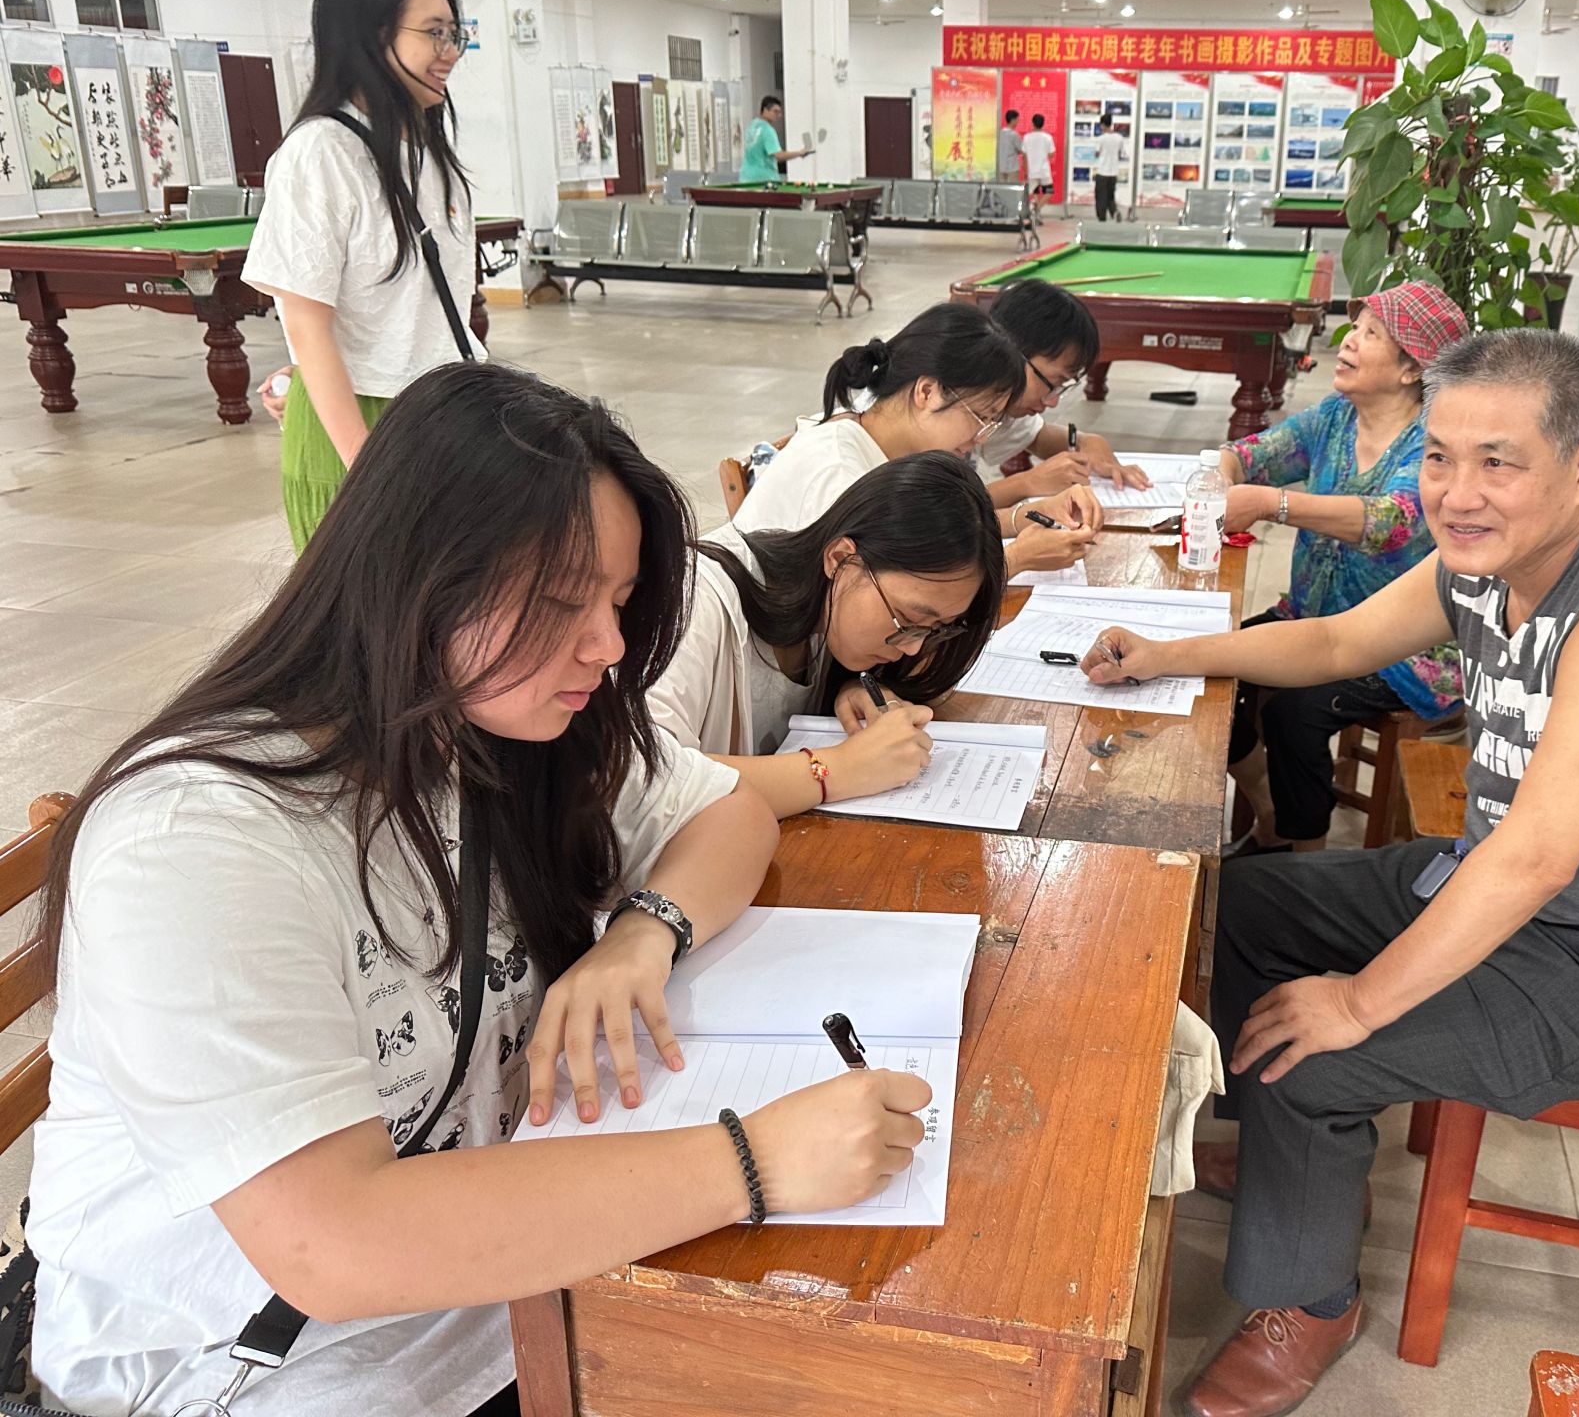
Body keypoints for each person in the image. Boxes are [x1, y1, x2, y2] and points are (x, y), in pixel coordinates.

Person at [28, 363, 932, 1417]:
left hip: (505, 1288)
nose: (606, 647)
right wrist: (755, 1159)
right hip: (240, 1363)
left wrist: (643, 933)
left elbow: (725, 813)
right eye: (558, 602)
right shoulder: (197, 844)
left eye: (617, 602)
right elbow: (333, 1245)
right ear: (414, 574)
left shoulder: (495, 724)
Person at [1079, 329, 1579, 1417]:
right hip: (1492, 887)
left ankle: (1307, 1302)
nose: (1457, 491)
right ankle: (1292, 1165)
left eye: (1498, 461)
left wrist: (1357, 1002)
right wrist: (1168, 657)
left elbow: (1536, 857)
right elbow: (1335, 643)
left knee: (1311, 1051)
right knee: (1240, 905)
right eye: (1439, 456)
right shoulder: (1488, 561)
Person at [243, 0, 482, 554]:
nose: (451, 51)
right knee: (372, 612)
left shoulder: (426, 149)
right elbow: (307, 326)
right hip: (361, 431)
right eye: (434, 32)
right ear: (373, 35)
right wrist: (369, 470)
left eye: (455, 32)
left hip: (440, 414)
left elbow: (426, 310)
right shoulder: (321, 152)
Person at [1220, 282, 1469, 855]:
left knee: (1294, 712)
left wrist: (1273, 504)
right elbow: (1250, 454)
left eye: (1370, 334)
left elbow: (1391, 521)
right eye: (1354, 328)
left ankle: (1305, 861)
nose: (1348, 341)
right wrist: (1226, 474)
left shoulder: (1434, 446)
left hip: (1402, 647)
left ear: (1412, 368)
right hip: (1309, 618)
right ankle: (1271, 817)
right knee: (1215, 667)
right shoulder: (1334, 418)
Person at [649, 453, 1004, 818]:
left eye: (936, 629)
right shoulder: (696, 597)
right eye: (907, 619)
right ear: (839, 558)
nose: (913, 648)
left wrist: (848, 689)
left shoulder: (827, 622)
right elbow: (649, 783)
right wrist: (840, 769)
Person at [732, 302, 1101, 580]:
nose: (979, 438)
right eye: (981, 417)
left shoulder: (886, 444)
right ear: (927, 392)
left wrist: (1026, 517)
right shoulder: (842, 474)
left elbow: (932, 531)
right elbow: (898, 598)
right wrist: (1016, 558)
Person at [979, 278, 1152, 503]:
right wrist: (1026, 483)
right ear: (1010, 354)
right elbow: (945, 510)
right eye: (1052, 383)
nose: (1053, 402)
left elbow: (1036, 436)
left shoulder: (998, 404)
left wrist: (1087, 442)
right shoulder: (952, 406)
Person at [739, 95, 813, 184]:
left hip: (746, 177)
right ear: (765, 110)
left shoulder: (752, 125)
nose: (778, 115)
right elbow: (778, 156)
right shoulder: (768, 130)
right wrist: (799, 153)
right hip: (764, 179)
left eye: (779, 112)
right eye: (775, 111)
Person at [1092, 120, 1128, 222]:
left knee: (1100, 197)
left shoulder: (1101, 139)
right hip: (1113, 172)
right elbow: (1121, 153)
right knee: (1110, 196)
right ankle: (1114, 212)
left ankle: (1102, 218)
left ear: (1103, 125)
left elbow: (1096, 154)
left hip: (1102, 172)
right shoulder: (1119, 138)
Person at [1020, 114, 1057, 210]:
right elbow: (1052, 153)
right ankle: (1038, 209)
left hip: (1032, 170)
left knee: (1034, 191)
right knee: (1049, 191)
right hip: (1044, 170)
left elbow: (1024, 155)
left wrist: (1025, 170)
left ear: (1032, 123)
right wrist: (1043, 156)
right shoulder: (1048, 137)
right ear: (1043, 124)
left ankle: (1036, 210)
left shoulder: (1027, 137)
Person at [997, 108, 1024, 186]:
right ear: (1012, 120)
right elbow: (1022, 150)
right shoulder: (1014, 135)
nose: (1017, 122)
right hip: (1012, 167)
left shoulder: (999, 133)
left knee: (1001, 188)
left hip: (1000, 166)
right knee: (1012, 188)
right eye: (1017, 120)